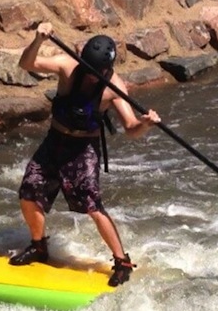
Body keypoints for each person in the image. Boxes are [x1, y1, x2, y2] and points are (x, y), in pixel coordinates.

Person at [9, 22, 160, 287]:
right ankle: (39, 246)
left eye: (96, 72)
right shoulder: (68, 65)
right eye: (88, 69)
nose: (91, 75)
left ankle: (122, 261)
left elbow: (131, 129)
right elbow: (27, 64)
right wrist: (37, 40)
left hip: (83, 149)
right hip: (55, 140)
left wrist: (145, 123)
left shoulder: (114, 86)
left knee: (92, 204)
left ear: (107, 69)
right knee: (28, 192)